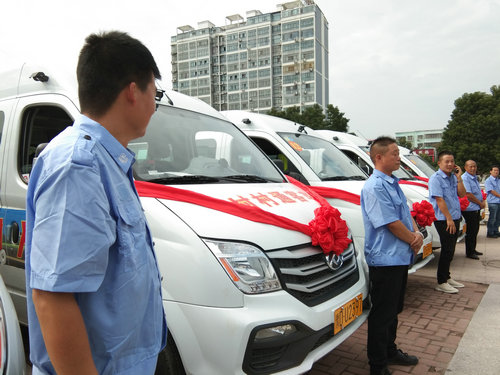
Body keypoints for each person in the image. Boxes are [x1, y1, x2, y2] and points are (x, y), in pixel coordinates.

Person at [26, 31, 167, 375]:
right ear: (133, 91)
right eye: (156, 92)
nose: (155, 104)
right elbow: (53, 297)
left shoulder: (107, 160)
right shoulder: (80, 165)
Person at [361, 136, 423, 375]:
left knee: (393, 310)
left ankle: (389, 350)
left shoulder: (391, 182)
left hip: (398, 256)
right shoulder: (375, 186)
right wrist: (413, 239)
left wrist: (416, 234)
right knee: (382, 314)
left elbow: (405, 215)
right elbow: (390, 223)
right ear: (379, 157)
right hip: (385, 259)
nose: (399, 158)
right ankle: (377, 365)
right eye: (395, 153)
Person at [428, 151, 466, 294]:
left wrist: (459, 177)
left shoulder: (452, 177)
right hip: (444, 219)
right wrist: (449, 218)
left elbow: (462, 194)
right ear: (439, 163)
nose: (450, 164)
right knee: (447, 249)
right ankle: (441, 281)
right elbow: (439, 200)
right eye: (446, 161)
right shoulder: (435, 179)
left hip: (454, 217)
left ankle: (447, 277)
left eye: (452, 161)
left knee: (451, 249)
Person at [461, 160, 485, 259]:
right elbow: (468, 194)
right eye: (470, 166)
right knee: (471, 231)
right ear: (465, 167)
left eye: (474, 166)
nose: (473, 168)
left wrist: (482, 201)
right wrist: (480, 203)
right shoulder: (465, 178)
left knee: (475, 230)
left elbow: (478, 192)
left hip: (476, 208)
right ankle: (469, 252)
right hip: (469, 209)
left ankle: (473, 249)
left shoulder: (474, 178)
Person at [485, 165, 500, 238]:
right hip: (493, 202)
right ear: (490, 171)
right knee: (492, 218)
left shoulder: (498, 180)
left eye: (497, 170)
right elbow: (491, 191)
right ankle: (490, 232)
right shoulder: (488, 180)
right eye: (494, 170)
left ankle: (496, 231)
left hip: (499, 202)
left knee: (498, 218)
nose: (496, 172)